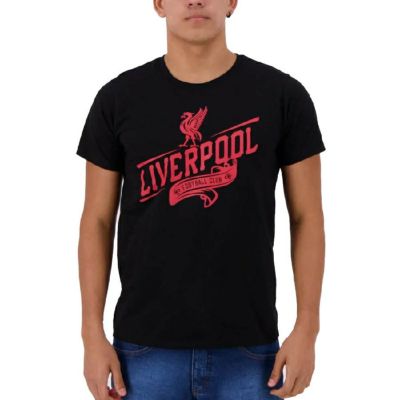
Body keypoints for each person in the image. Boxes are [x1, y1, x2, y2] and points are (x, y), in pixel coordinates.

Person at [76, 1, 326, 399]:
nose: (195, 0)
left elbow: (307, 217)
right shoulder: (118, 99)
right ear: (159, 4)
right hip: (142, 350)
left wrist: (307, 328)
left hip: (252, 350)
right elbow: (97, 221)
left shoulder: (283, 96)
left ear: (232, 2)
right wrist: (92, 334)